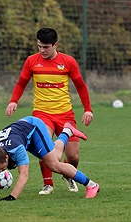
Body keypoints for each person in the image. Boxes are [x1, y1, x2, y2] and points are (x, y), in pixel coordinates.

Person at [5, 28, 93, 195]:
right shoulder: (31, 61)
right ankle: (48, 184)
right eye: (39, 46)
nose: (42, 50)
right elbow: (21, 83)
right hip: (42, 114)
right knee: (45, 149)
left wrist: (88, 110)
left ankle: (68, 175)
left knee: (73, 156)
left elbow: (81, 86)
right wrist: (13, 101)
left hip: (65, 113)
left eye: (45, 47)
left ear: (55, 45)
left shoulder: (68, 62)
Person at [0, 116, 100, 200]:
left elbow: (24, 174)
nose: (1, 171)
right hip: (23, 135)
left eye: (2, 167)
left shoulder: (17, 149)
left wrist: (12, 197)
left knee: (54, 164)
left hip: (34, 127)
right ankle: (67, 131)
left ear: (6, 157)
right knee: (55, 155)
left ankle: (92, 185)